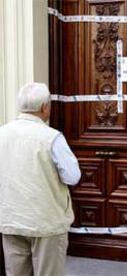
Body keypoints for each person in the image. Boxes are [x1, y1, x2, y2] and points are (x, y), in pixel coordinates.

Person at [0, 83, 81, 276]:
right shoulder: (51, 137)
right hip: (46, 222)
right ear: (45, 107)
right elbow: (72, 176)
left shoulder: (2, 134)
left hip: (11, 218)